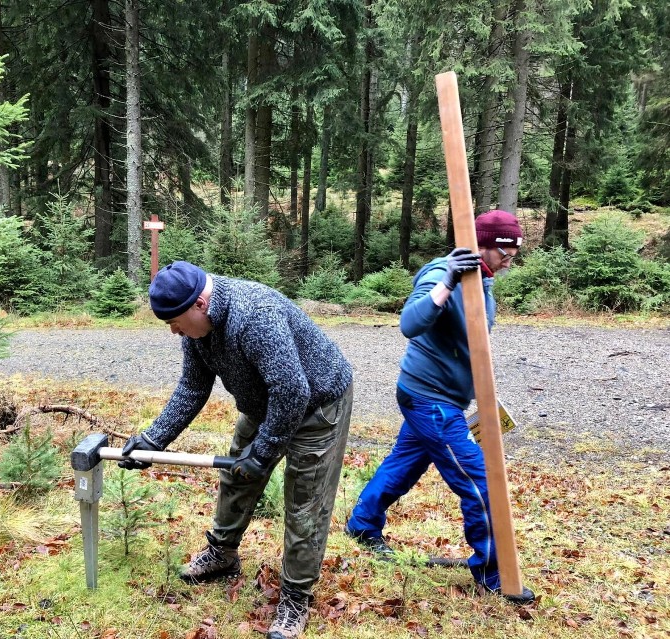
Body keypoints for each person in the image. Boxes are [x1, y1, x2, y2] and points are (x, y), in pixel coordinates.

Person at [119, 261, 354, 639]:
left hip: (318, 405)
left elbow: (293, 391)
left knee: (305, 504)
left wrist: (263, 452)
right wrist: (154, 439)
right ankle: (223, 554)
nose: (173, 331)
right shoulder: (196, 330)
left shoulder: (255, 315)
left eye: (174, 322)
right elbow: (193, 388)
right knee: (237, 476)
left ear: (200, 303)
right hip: (263, 403)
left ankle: (295, 597)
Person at [345, 209, 535, 605]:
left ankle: (362, 525)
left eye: (513, 255)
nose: (508, 262)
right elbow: (410, 323)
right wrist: (447, 281)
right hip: (430, 400)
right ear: (483, 244)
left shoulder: (483, 279)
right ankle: (493, 572)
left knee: (405, 462)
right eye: (505, 253)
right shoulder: (442, 273)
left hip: (440, 397)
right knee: (479, 481)